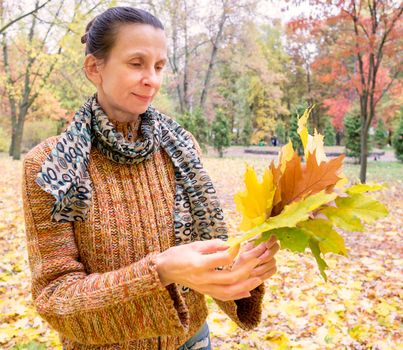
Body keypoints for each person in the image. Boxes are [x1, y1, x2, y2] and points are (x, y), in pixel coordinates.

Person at [21, 7, 280, 350]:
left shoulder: (181, 148)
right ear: (94, 68)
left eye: (159, 66)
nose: (152, 80)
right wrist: (158, 272)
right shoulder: (50, 166)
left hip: (193, 341)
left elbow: (202, 255)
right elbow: (55, 297)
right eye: (136, 63)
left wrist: (240, 267)